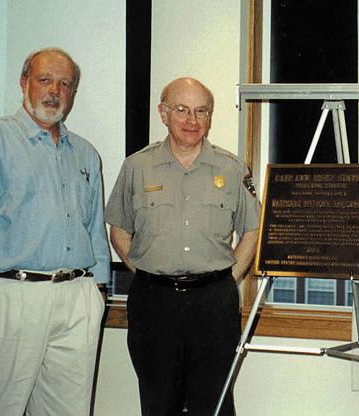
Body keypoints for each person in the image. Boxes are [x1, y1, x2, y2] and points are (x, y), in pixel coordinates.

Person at [0, 47, 110, 415]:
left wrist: (98, 294)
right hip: (13, 296)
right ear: (24, 82)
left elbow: (94, 229)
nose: (55, 91)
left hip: (77, 297)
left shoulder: (86, 153)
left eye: (65, 84)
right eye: (45, 80)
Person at [105, 77, 261, 416]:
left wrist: (226, 279)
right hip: (154, 302)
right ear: (163, 114)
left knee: (214, 403)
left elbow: (251, 230)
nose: (192, 120)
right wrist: (146, 272)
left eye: (201, 111)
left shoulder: (232, 168)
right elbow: (118, 229)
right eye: (182, 110)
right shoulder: (137, 166)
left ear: (209, 116)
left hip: (214, 304)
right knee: (158, 402)